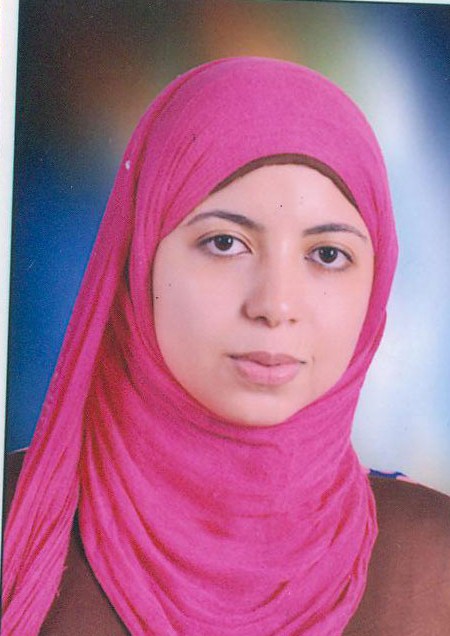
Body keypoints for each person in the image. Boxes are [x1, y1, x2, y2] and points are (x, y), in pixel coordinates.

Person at [2, 57, 450, 636]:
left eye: (327, 254)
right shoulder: (16, 522)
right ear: (140, 257)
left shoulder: (431, 559)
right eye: (224, 242)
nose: (275, 305)